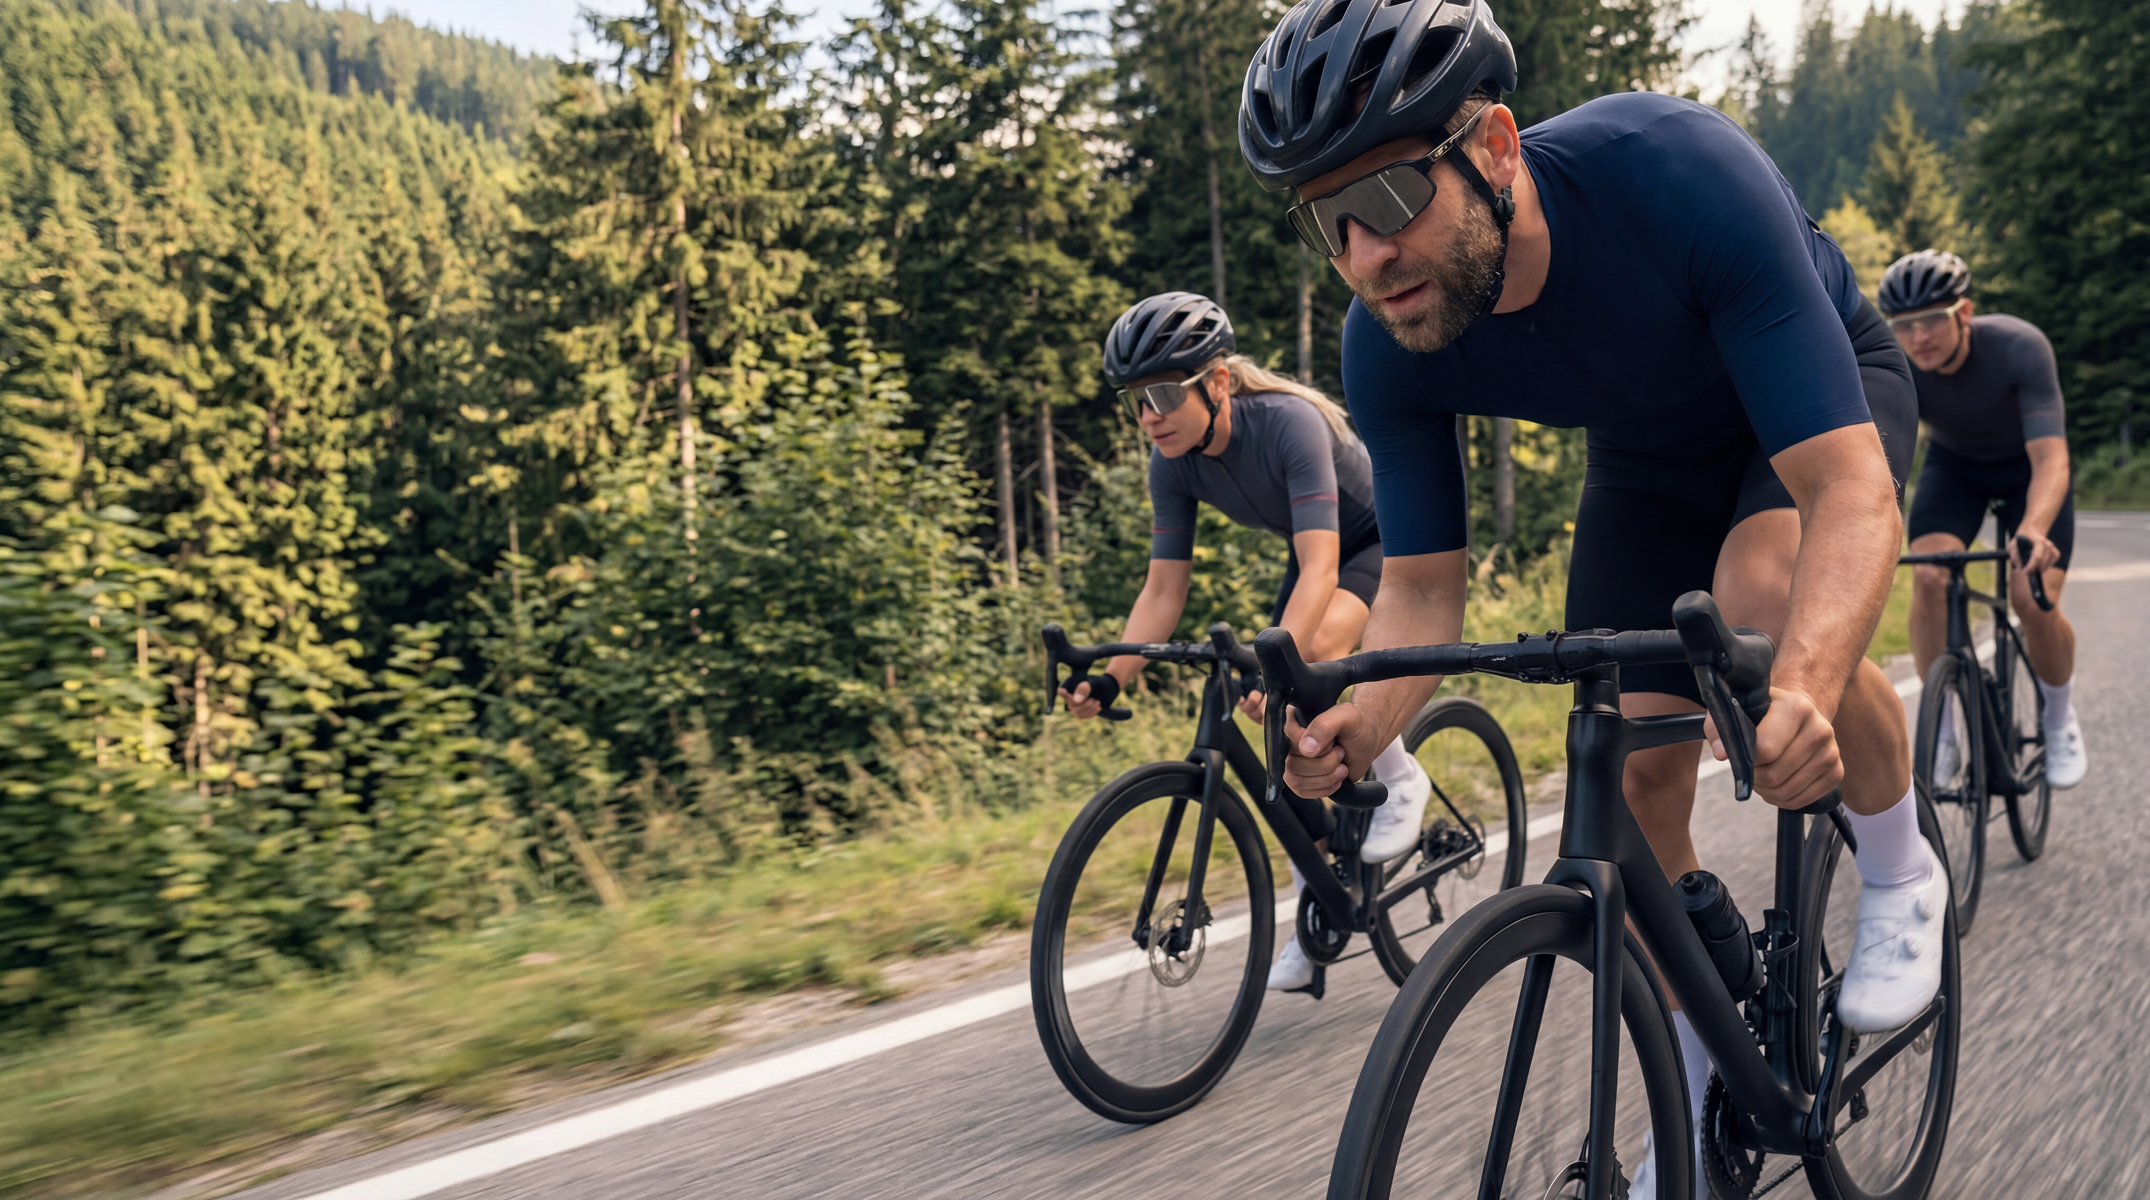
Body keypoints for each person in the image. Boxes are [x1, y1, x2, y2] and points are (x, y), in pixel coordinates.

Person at [1241, 2, 1935, 1194]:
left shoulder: (1675, 173)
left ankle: (1895, 863)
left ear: (1496, 146)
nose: (1365, 255)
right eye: (1329, 222)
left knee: (1761, 594)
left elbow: (1850, 492)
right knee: (1627, 776)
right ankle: (1694, 1055)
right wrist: (1360, 726)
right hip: (1649, 458)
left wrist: (1806, 689)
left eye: (1394, 200)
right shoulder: (1385, 338)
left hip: (1817, 395)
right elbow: (1415, 590)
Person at [1059, 290, 1433, 993]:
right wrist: (1113, 675)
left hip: (1384, 542)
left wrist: (1284, 665)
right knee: (1269, 728)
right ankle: (1321, 895)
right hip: (1316, 554)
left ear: (1218, 382)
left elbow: (1324, 566)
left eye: (1165, 394)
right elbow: (1163, 592)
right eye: (1136, 401)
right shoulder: (1171, 463)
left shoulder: (1287, 422)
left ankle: (1402, 776)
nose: (1150, 416)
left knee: (1309, 657)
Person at [1883, 249, 2086, 788]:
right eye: (1904, 326)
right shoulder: (1898, 366)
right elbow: (1881, 460)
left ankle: (2059, 713)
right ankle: (1945, 727)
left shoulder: (2019, 347)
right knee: (1928, 575)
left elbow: (2052, 459)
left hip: (2029, 473)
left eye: (1931, 321)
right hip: (1958, 472)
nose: (1918, 337)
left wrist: (2034, 528)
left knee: (2030, 593)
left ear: (1965, 312)